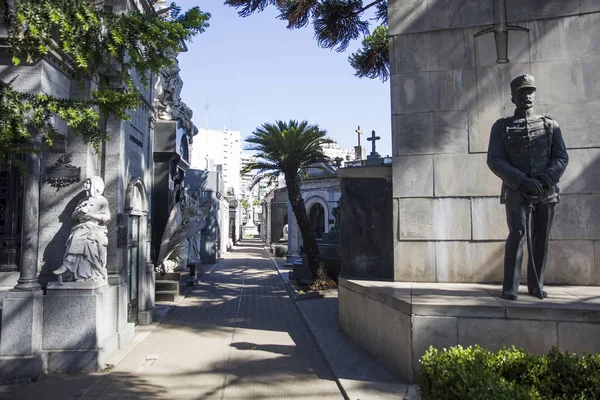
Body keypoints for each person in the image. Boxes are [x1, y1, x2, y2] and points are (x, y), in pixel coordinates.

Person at [487, 74, 568, 301]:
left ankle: (536, 284)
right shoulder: (501, 127)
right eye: (522, 92)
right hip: (516, 191)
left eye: (530, 91)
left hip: (546, 191)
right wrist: (522, 181)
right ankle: (510, 287)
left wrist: (543, 181)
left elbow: (560, 158)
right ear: (513, 97)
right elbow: (495, 160)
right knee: (518, 234)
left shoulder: (551, 125)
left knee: (541, 237)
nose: (527, 96)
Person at [53, 176, 111, 282]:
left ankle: (70, 266)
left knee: (82, 239)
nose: (85, 185)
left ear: (95, 185)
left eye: (88, 183)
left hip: (95, 228)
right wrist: (80, 211)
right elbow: (73, 216)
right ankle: (72, 269)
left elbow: (107, 218)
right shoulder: (82, 200)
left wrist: (91, 215)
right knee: (77, 237)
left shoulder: (102, 201)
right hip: (82, 226)